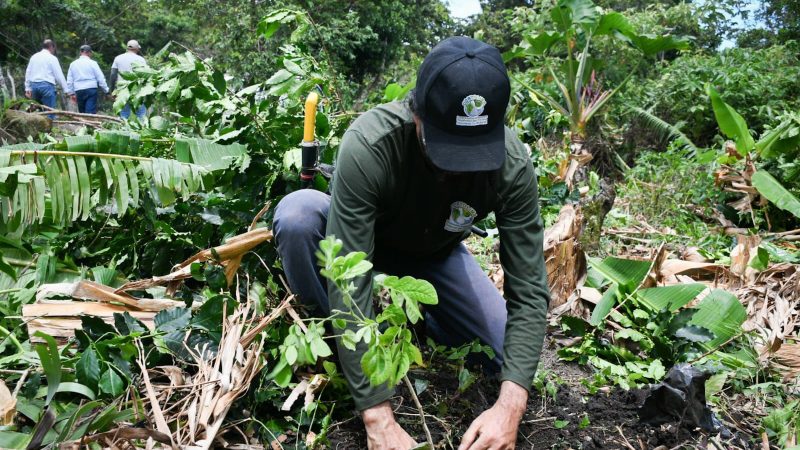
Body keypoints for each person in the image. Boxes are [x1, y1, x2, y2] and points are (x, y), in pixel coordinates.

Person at [273, 37, 549, 450]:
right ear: (415, 113)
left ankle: (417, 322)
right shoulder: (371, 144)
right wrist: (377, 416)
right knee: (297, 214)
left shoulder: (512, 163)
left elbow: (529, 290)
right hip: (362, 246)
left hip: (434, 256)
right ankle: (329, 344)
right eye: (448, 150)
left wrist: (510, 407)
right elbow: (348, 273)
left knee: (499, 354)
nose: (458, 169)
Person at [24, 39, 69, 116]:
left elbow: (28, 72)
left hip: (34, 86)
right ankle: (49, 125)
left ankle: (38, 127)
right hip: (47, 86)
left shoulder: (34, 57)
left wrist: (27, 88)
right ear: (51, 47)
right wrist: (66, 90)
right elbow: (59, 75)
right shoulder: (52, 58)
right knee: (49, 111)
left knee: (37, 111)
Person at [109, 39, 147, 120]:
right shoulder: (141, 60)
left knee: (123, 114)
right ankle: (142, 131)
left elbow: (113, 75)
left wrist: (112, 90)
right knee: (141, 114)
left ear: (127, 48)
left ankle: (123, 131)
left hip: (122, 90)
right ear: (137, 49)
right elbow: (145, 75)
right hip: (137, 90)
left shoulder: (118, 58)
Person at [66, 45, 109, 114]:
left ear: (80, 52)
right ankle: (90, 124)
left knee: (82, 112)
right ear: (89, 53)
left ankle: (83, 123)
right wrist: (106, 90)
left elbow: (69, 80)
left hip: (79, 89)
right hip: (91, 89)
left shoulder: (73, 64)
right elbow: (100, 78)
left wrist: (71, 93)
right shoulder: (93, 63)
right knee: (90, 111)